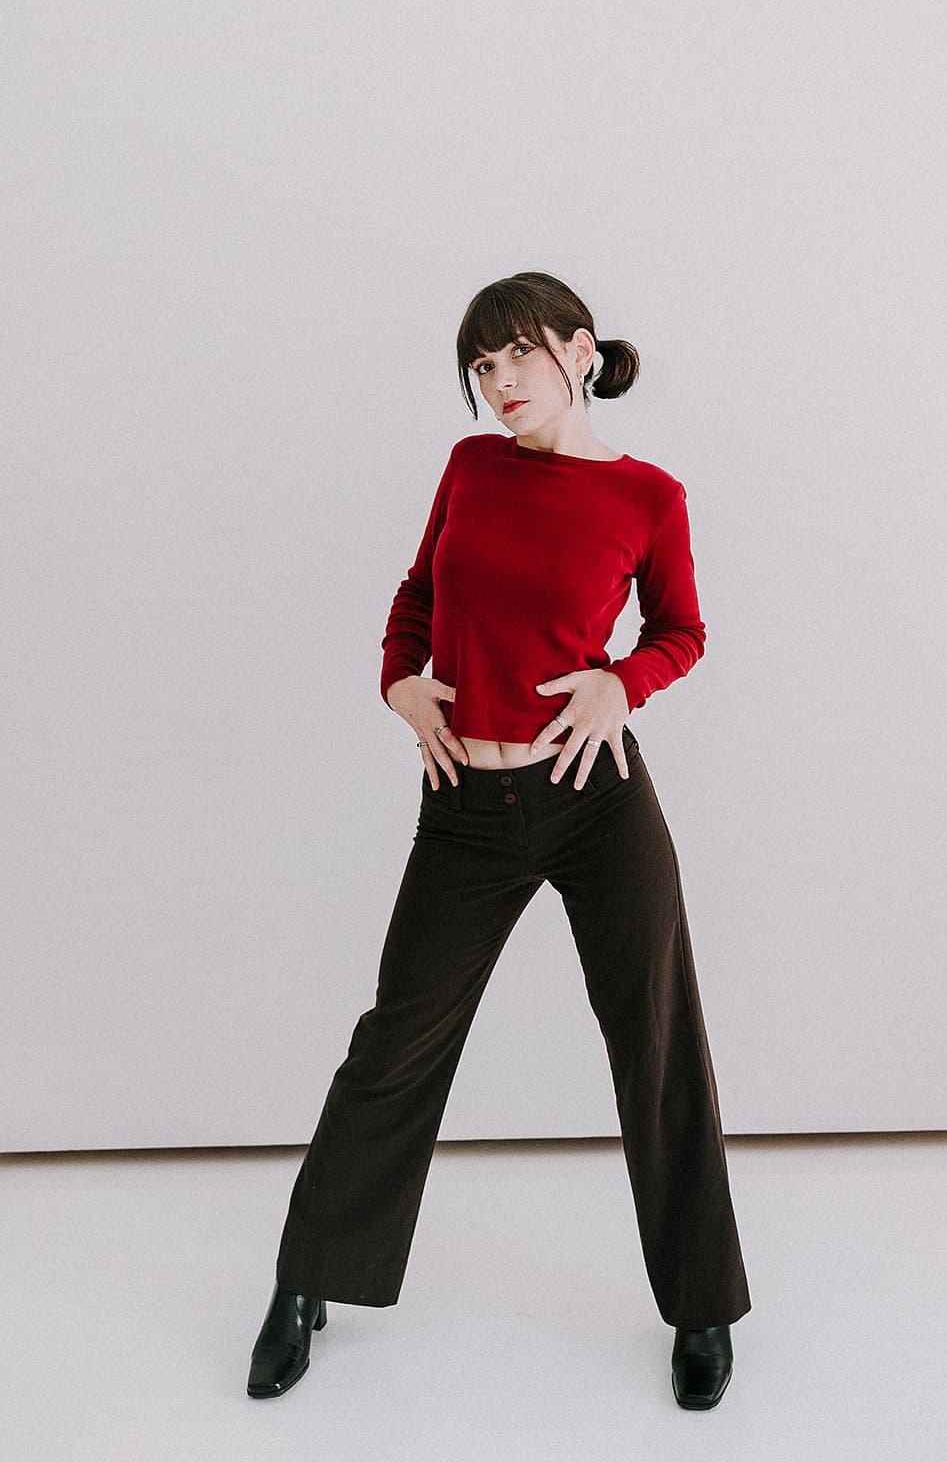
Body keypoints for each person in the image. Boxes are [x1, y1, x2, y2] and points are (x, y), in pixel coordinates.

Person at [246, 271, 751, 1409]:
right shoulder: (469, 468)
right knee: (394, 1044)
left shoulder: (646, 496)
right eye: (480, 367)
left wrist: (622, 684)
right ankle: (303, 1282)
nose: (498, 382)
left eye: (516, 355)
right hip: (468, 810)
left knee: (657, 1037)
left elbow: (681, 628)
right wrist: (400, 685)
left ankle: (701, 1304)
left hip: (595, 797)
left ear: (577, 351)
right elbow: (417, 594)